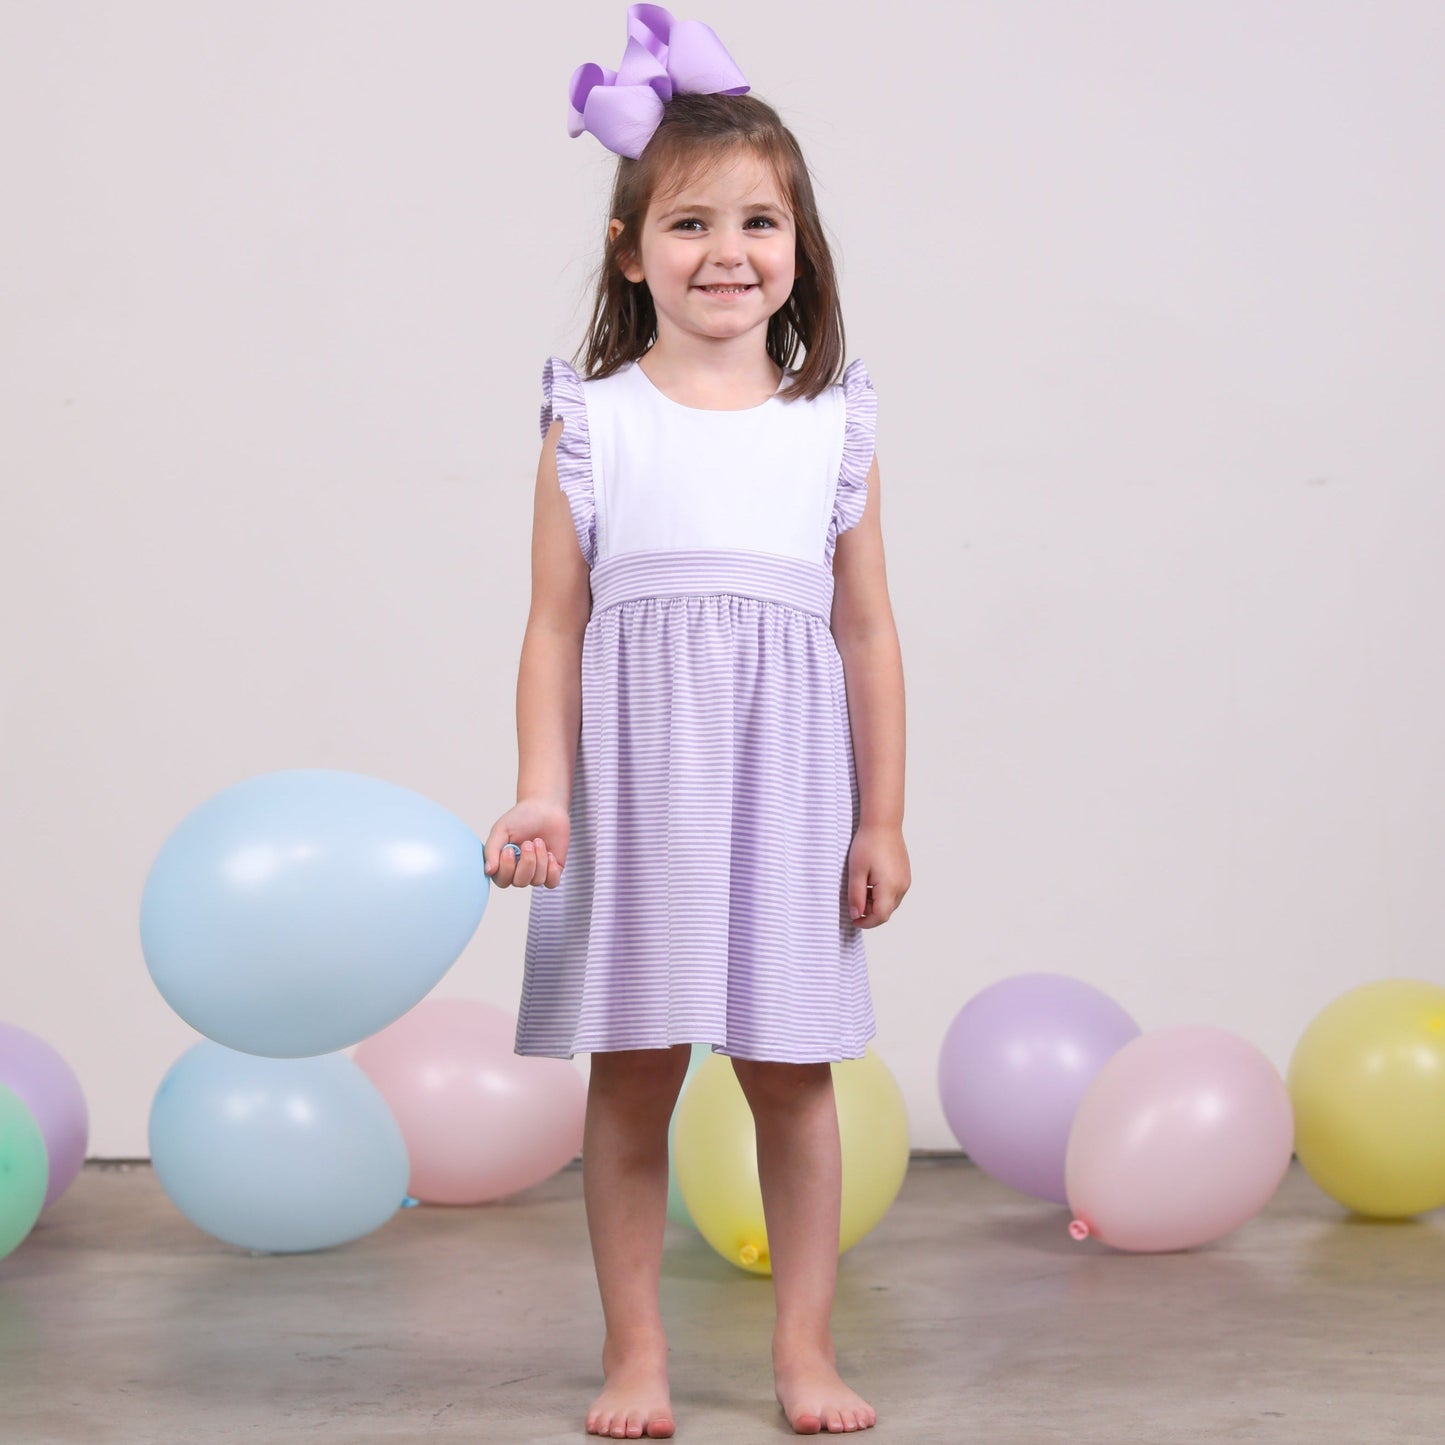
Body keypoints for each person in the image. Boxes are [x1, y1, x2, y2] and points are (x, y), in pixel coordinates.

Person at [482, 7, 909, 1437]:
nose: (727, 252)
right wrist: (542, 789)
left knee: (792, 1075)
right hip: (637, 795)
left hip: (787, 796)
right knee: (633, 1076)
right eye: (688, 223)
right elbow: (553, 626)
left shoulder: (828, 424)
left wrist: (882, 818)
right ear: (629, 251)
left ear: (799, 249)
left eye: (757, 222)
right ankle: (637, 1355)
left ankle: (803, 1348)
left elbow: (865, 630)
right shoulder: (593, 422)